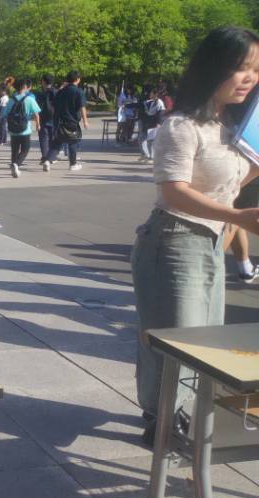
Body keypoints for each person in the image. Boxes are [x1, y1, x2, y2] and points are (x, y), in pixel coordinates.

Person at [131, 26, 259, 447]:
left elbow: (229, 182)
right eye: (242, 68)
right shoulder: (181, 125)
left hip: (208, 242)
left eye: (256, 69)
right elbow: (173, 191)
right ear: (214, 67)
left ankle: (176, 413)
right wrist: (237, 216)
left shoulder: (230, 126)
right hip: (172, 241)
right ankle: (161, 421)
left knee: (203, 339)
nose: (250, 78)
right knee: (175, 341)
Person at [43, 70, 89, 171]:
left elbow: (54, 104)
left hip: (59, 120)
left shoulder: (61, 91)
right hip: (71, 120)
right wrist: (85, 121)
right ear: (77, 79)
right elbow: (82, 107)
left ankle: (48, 160)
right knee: (73, 141)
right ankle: (73, 164)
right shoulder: (78, 92)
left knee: (57, 142)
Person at [2, 78, 41, 178]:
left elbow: (4, 114)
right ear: (24, 87)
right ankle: (16, 164)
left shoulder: (11, 100)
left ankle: (14, 168)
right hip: (25, 129)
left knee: (14, 150)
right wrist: (38, 124)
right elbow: (36, 113)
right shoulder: (30, 99)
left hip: (13, 129)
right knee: (25, 149)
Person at [225, 180, 259, 282]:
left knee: (236, 219)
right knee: (235, 218)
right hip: (244, 177)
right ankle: (207, 264)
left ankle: (245, 269)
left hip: (238, 178)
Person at [35, 75, 58, 166]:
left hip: (42, 117)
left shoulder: (40, 93)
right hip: (54, 117)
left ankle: (44, 157)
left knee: (43, 138)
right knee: (53, 138)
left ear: (44, 82)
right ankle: (51, 157)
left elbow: (36, 106)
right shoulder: (56, 92)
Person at [138, 86, 165, 163]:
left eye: (151, 93)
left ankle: (152, 158)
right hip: (148, 124)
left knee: (151, 141)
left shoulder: (159, 103)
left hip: (155, 125)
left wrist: (158, 123)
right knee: (141, 139)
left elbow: (160, 114)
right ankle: (146, 155)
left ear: (155, 94)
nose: (150, 95)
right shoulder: (151, 102)